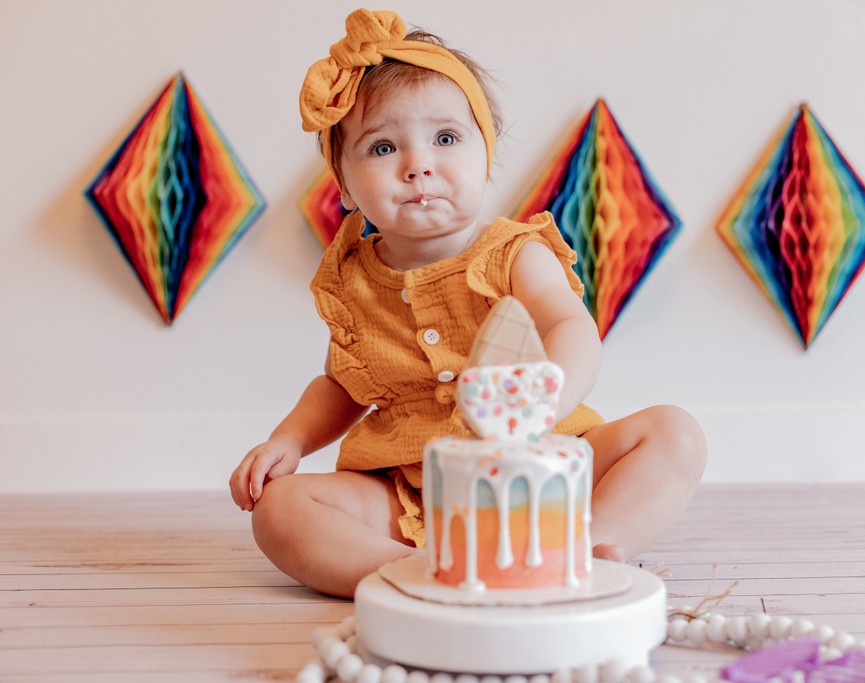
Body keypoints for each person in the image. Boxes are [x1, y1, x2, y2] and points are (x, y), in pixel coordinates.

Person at [229, 8, 706, 598]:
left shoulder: (513, 253)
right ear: (346, 187)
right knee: (280, 510)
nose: (418, 165)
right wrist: (290, 441)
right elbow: (339, 386)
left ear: (486, 155)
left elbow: (567, 322)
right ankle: (415, 575)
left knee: (674, 434)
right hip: (412, 486)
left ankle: (582, 552)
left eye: (447, 138)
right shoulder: (353, 279)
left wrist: (544, 398)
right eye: (382, 147)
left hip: (539, 470)